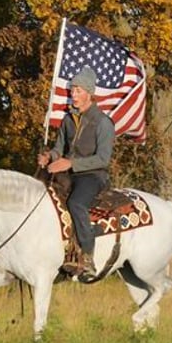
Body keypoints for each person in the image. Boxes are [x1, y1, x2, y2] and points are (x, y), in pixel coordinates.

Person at [37, 66, 115, 275]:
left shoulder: (103, 123)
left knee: (75, 203)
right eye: (72, 90)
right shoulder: (67, 119)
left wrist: (71, 164)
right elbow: (58, 149)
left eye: (78, 90)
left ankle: (88, 256)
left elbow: (103, 159)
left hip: (93, 176)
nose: (73, 94)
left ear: (90, 93)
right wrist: (49, 157)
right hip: (67, 174)